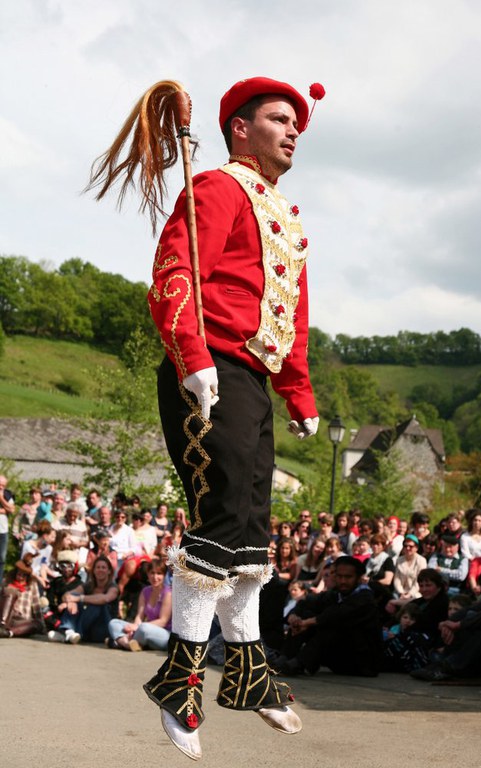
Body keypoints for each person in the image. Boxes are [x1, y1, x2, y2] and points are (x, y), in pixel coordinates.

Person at [87, 75, 324, 758]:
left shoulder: (287, 217)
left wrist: (300, 394)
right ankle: (182, 675)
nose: (293, 131)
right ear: (240, 128)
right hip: (212, 368)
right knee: (221, 517)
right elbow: (175, 269)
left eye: (297, 123)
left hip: (254, 374)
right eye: (280, 119)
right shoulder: (217, 188)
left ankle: (246, 665)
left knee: (252, 530)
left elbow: (293, 317)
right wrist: (190, 351)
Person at [277, 556, 382, 677]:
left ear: (359, 578)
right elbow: (306, 601)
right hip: (339, 657)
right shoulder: (336, 593)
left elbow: (337, 615)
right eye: (339, 576)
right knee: (305, 614)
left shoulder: (365, 598)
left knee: (331, 625)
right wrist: (294, 616)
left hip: (362, 663)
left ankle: (299, 663)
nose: (343, 581)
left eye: (348, 577)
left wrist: (307, 623)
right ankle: (284, 658)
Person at [48, 555, 119, 644]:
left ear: (109, 571)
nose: (100, 570)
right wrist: (70, 602)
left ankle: (66, 633)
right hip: (88, 629)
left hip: (104, 629)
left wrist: (78, 599)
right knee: (75, 596)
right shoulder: (89, 585)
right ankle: (69, 632)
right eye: (98, 567)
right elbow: (68, 595)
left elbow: (105, 599)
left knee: (96, 604)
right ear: (93, 571)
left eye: (103, 567)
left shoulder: (113, 587)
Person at [108, 559, 172, 651]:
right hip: (144, 631)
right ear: (148, 574)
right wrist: (134, 626)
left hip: (164, 634)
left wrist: (136, 628)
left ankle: (119, 641)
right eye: (152, 573)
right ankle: (128, 644)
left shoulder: (168, 594)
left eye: (159, 573)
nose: (155, 577)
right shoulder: (145, 591)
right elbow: (139, 616)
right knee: (114, 623)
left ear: (164, 575)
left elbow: (163, 621)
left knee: (143, 628)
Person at [0, 475, 15, 583]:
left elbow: (12, 509)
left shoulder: (7, 494)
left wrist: (1, 498)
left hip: (2, 530)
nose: (1, 487)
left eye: (3, 486)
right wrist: (4, 510)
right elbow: (7, 509)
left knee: (1, 558)